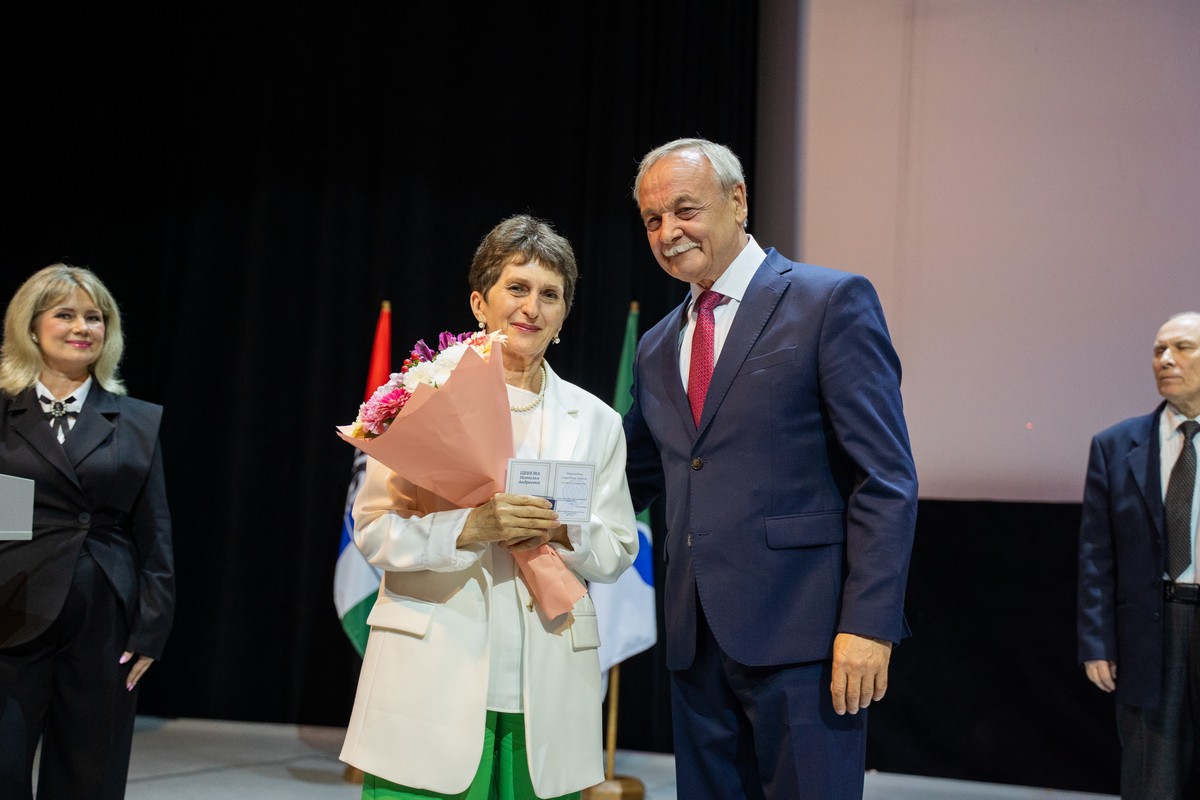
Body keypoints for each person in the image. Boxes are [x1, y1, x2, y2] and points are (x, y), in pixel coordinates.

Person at [621, 137, 918, 800]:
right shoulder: (658, 345)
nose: (668, 232)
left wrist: (868, 624)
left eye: (685, 210)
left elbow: (885, 478)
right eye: (652, 220)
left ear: (738, 201)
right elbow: (629, 476)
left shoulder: (829, 301)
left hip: (806, 641)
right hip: (695, 645)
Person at [338, 214, 639, 800]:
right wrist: (470, 527)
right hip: (432, 675)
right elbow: (373, 531)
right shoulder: (418, 399)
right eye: (517, 288)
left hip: (548, 680)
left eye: (550, 294)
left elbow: (619, 549)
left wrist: (563, 528)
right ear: (480, 301)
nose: (532, 308)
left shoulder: (597, 421)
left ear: (564, 314)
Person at [0, 263, 175, 799]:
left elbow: (154, 531)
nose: (82, 327)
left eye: (94, 318)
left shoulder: (137, 419)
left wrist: (151, 627)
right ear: (32, 327)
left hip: (104, 615)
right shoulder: (5, 412)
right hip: (11, 609)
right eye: (65, 314)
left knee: (88, 775)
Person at [1078, 311, 1200, 799]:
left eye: (1182, 347)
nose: (1165, 359)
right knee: (1153, 776)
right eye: (1158, 350)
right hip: (1152, 630)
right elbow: (1096, 554)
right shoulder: (1115, 445)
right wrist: (1096, 642)